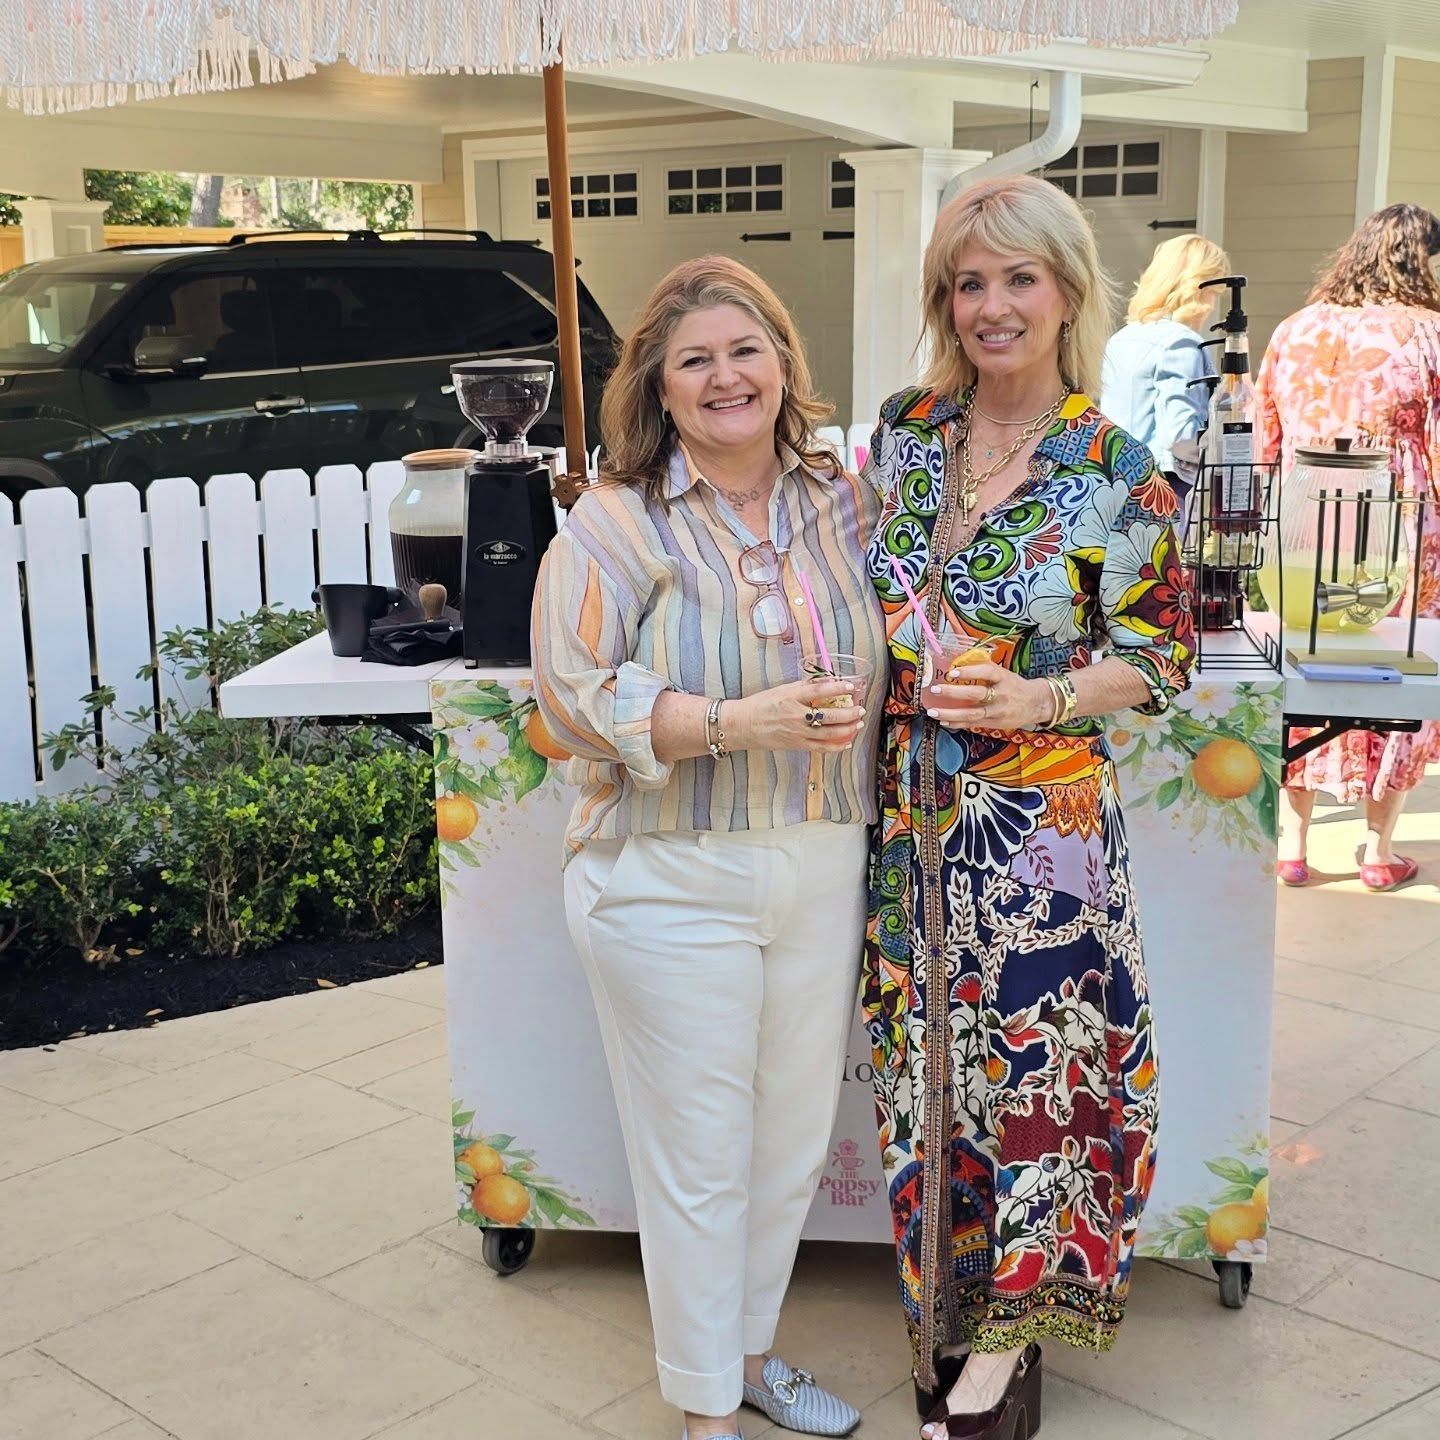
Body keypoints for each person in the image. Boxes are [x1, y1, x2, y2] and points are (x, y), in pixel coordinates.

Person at [861, 175, 1195, 1440]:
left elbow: (1157, 658)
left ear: (1065, 293)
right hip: (909, 822)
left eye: (1019, 278)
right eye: (968, 281)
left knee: (1037, 1080)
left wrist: (1041, 700)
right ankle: (939, 1309)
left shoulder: (1116, 473)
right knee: (917, 1073)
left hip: (1042, 830)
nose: (993, 306)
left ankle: (1005, 1349)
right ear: (946, 301)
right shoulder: (907, 433)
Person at [532, 255, 887, 1440]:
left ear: (784, 362)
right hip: (665, 875)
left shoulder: (847, 498)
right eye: (696, 361)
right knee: (698, 1157)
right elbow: (570, 702)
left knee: (788, 1144)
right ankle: (703, 1414)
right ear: (662, 389)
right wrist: (739, 723)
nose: (726, 376)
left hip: (821, 858)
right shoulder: (616, 522)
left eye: (746, 350)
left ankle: (745, 1356)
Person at [1255, 203, 1440, 891]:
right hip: (1400, 528)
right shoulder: (1429, 334)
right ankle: (1375, 851)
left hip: (1306, 524)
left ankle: (1293, 846)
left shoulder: (1295, 329)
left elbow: (1264, 438)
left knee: (1308, 672)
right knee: (1397, 676)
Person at [1100, 231, 1231, 525]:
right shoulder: (1181, 343)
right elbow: (1180, 437)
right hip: (1162, 492)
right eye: (1213, 294)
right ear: (1198, 289)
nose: (1212, 305)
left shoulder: (1122, 338)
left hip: (1111, 483)